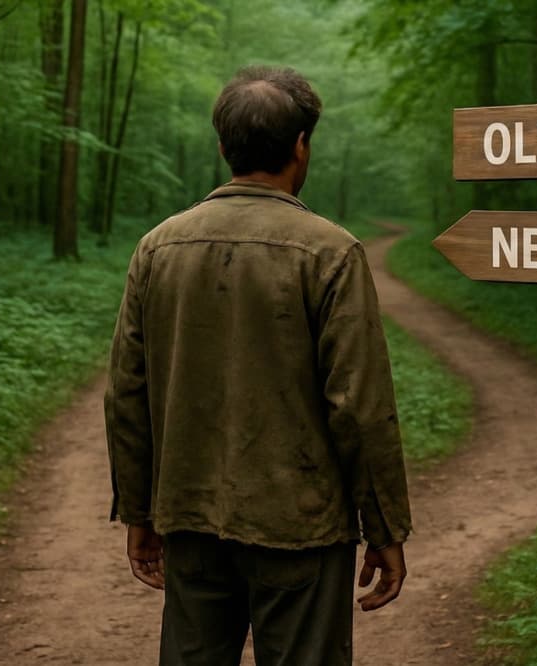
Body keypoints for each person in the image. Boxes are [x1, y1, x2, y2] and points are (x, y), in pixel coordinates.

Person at [103, 65, 413, 666]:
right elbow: (359, 406)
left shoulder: (158, 247)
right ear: (301, 146)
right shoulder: (330, 251)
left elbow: (126, 393)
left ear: (223, 148)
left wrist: (139, 511)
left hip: (189, 519)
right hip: (302, 528)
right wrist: (385, 528)